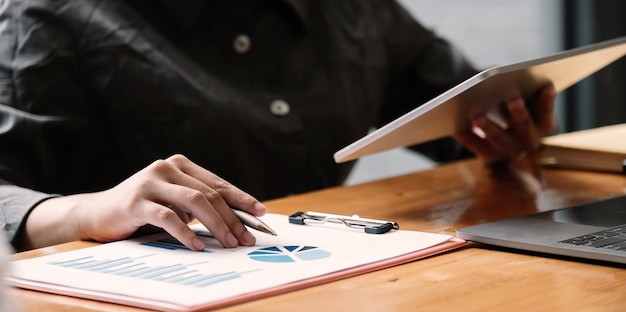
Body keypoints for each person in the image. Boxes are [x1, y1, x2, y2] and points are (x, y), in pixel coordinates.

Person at [0, 0, 556, 252]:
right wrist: (87, 211)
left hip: (331, 292)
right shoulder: (51, 14)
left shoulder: (353, 12)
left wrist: (507, 129)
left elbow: (456, 105)